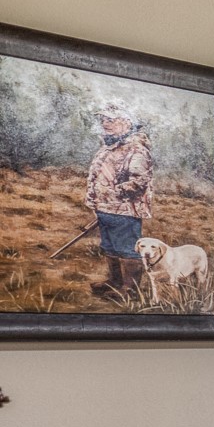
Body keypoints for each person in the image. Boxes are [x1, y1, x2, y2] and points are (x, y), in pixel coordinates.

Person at [84, 104, 154, 298]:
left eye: (111, 120)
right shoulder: (109, 147)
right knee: (109, 246)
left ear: (127, 123)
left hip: (125, 210)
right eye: (104, 120)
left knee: (127, 249)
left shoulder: (137, 149)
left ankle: (130, 291)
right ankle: (114, 282)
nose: (106, 124)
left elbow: (139, 181)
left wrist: (113, 192)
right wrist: (97, 199)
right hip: (104, 208)